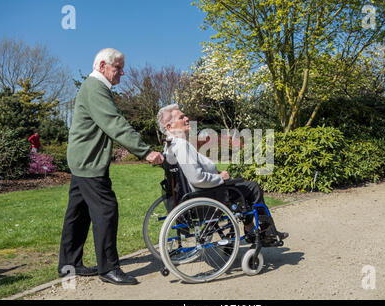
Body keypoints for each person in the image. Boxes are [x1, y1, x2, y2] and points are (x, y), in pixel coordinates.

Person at [58, 48, 164, 286]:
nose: (122, 72)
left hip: (82, 160)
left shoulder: (94, 87)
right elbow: (114, 123)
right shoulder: (95, 87)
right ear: (102, 65)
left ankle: (70, 264)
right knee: (106, 209)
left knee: (78, 213)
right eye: (118, 68)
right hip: (89, 162)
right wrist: (145, 152)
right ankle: (108, 268)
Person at [156, 104, 288, 243]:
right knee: (252, 187)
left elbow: (193, 172)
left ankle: (250, 228)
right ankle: (265, 231)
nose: (187, 118)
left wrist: (216, 173)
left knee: (242, 185)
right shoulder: (182, 146)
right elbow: (197, 179)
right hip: (207, 195)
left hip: (199, 194)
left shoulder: (171, 145)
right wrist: (220, 177)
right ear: (169, 127)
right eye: (181, 117)